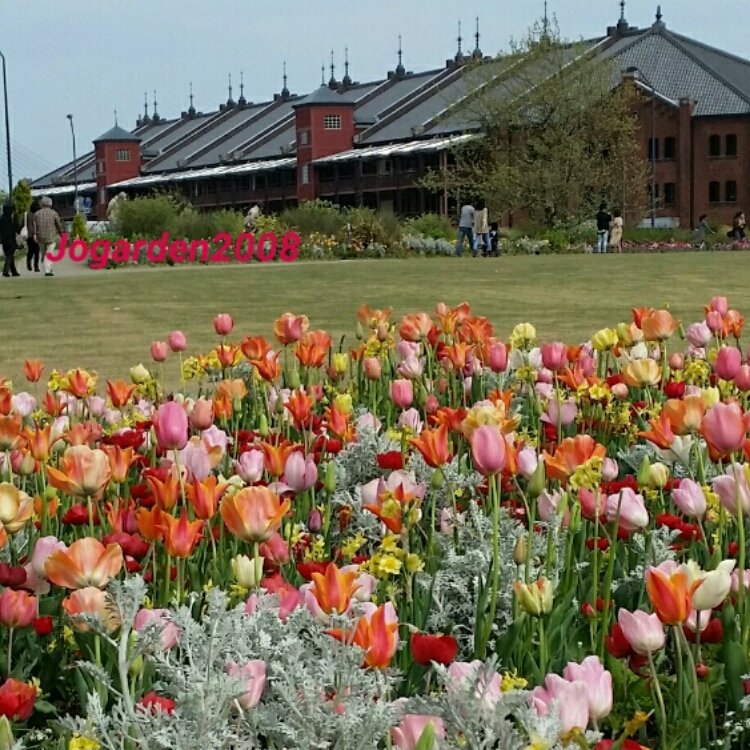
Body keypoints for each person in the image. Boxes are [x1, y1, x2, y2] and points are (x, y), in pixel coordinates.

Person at [32, 196, 63, 277]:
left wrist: (34, 234)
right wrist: (61, 233)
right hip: (51, 236)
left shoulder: (36, 214)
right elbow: (58, 224)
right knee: (49, 253)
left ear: (42, 204)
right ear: (50, 204)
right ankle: (47, 270)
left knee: (43, 253)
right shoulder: (54, 213)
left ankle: (47, 267)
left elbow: (34, 226)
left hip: (40, 236)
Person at [0, 203, 20, 277]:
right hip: (11, 239)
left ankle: (14, 271)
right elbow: (16, 227)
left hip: (4, 240)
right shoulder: (12, 218)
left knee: (9, 255)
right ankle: (5, 271)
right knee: (10, 255)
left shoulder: (2, 218)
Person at [25, 199, 40, 272]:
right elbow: (35, 225)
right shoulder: (36, 215)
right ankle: (36, 266)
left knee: (30, 250)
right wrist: (35, 233)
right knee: (36, 251)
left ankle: (28, 262)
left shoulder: (27, 214)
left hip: (28, 235)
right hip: (35, 235)